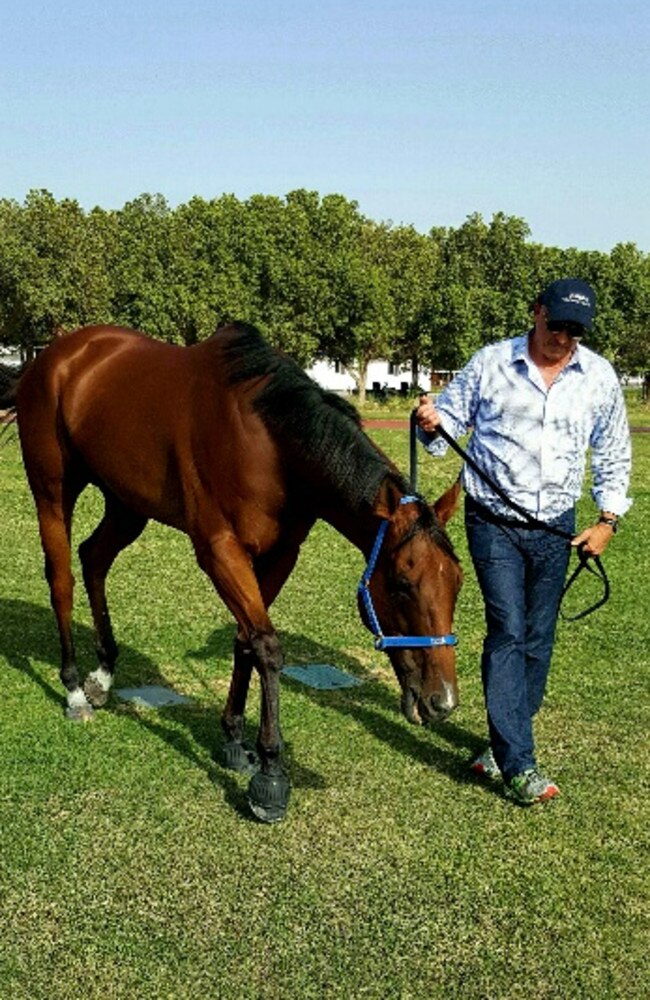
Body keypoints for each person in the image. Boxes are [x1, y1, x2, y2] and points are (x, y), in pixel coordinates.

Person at [416, 278, 632, 805]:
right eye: (556, 323)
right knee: (508, 630)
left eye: (575, 330)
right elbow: (445, 430)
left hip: (557, 525)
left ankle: (503, 739)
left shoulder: (598, 377)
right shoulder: (492, 363)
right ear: (535, 312)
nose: (564, 337)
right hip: (493, 520)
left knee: (538, 635)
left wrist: (607, 521)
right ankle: (519, 764)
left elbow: (613, 452)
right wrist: (429, 422)